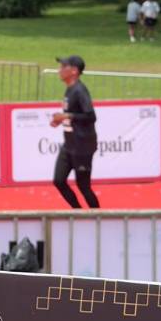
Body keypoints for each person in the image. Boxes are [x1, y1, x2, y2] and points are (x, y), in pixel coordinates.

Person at [50, 56, 100, 209]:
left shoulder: (80, 90)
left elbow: (91, 116)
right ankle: (78, 212)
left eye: (63, 66)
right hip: (70, 144)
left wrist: (66, 116)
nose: (59, 70)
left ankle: (98, 216)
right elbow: (75, 115)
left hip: (83, 146)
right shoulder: (70, 88)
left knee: (83, 186)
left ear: (74, 71)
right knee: (59, 181)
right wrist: (62, 119)